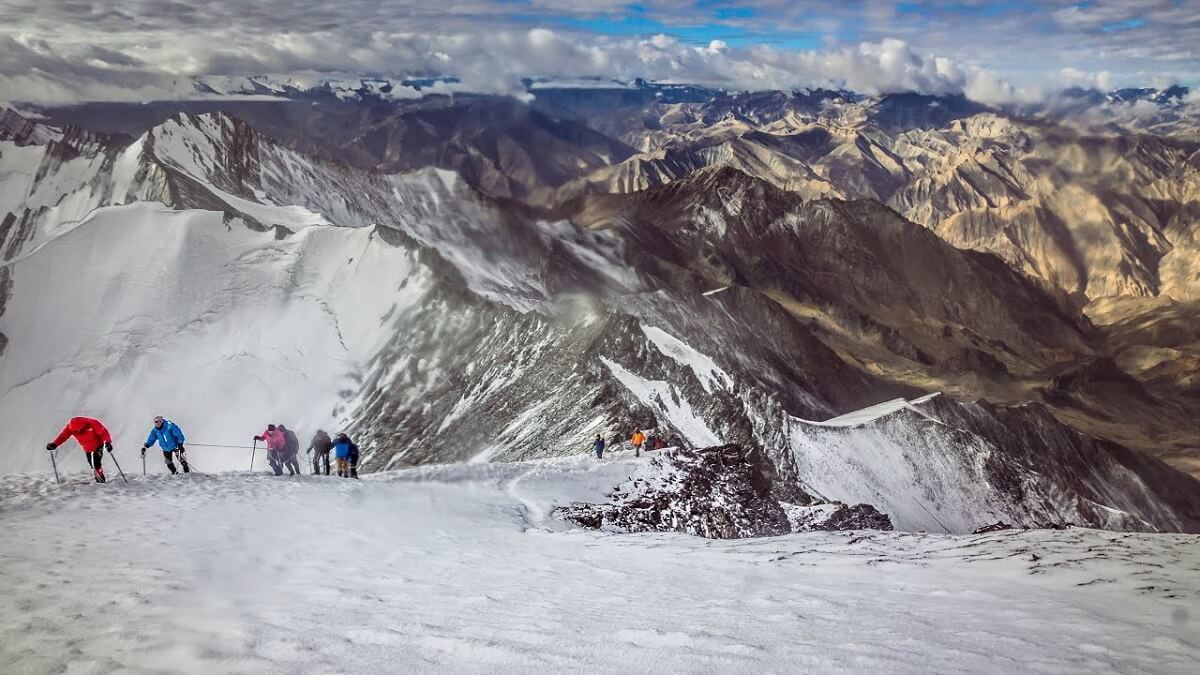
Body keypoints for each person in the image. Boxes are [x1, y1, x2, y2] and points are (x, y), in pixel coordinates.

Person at [47, 416, 112, 483]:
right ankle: (98, 477)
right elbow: (63, 436)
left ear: (84, 425)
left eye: (80, 430)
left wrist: (107, 443)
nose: (79, 432)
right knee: (92, 463)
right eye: (76, 431)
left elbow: (104, 433)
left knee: (95, 463)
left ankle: (101, 480)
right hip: (87, 449)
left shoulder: (93, 423)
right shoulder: (70, 428)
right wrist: (54, 444)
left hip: (98, 446)